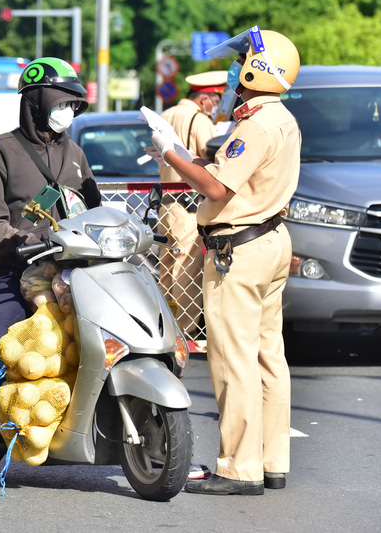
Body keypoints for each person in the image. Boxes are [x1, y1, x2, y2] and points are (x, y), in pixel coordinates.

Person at [0, 57, 102, 494]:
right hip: (18, 272)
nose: (69, 110)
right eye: (63, 101)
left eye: (75, 104)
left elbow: (95, 209)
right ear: (37, 100)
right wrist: (26, 242)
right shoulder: (2, 150)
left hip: (74, 276)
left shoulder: (76, 154)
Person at [150, 27, 300, 496]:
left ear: (257, 70)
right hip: (272, 240)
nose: (235, 69)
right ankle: (272, 462)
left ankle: (239, 468)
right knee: (268, 358)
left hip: (240, 250)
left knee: (234, 360)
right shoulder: (283, 119)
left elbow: (216, 188)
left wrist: (170, 151)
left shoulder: (254, 125)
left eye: (242, 61)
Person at [157, 71, 226, 343]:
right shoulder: (198, 119)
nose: (217, 106)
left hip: (166, 202)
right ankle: (182, 334)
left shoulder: (167, 114)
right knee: (187, 268)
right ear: (205, 98)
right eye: (216, 100)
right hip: (188, 205)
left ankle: (165, 326)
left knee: (167, 268)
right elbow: (213, 159)